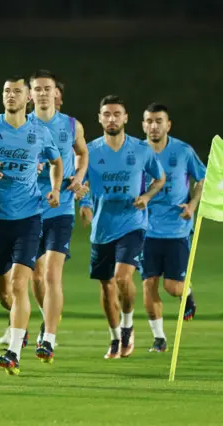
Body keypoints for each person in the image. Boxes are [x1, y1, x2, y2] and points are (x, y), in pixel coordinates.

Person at [0, 76, 63, 375]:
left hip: (28, 217)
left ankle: (13, 351)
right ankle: (19, 326)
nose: (10, 95)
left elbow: (56, 162)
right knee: (3, 293)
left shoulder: (40, 132)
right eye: (6, 91)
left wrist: (56, 188)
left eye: (17, 92)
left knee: (19, 283)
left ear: (28, 99)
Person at [79, 95, 165, 359]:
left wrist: (146, 197)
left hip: (133, 224)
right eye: (107, 114)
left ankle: (128, 328)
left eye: (117, 114)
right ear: (100, 118)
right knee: (106, 287)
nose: (112, 119)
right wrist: (84, 202)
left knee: (122, 277)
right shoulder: (89, 151)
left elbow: (159, 178)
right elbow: (79, 180)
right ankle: (115, 337)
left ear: (126, 118)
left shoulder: (141, 150)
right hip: (102, 227)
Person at [27, 70, 88, 363]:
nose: (42, 93)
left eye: (46, 88)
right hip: (26, 209)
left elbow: (82, 153)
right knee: (35, 277)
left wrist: (79, 176)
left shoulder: (71, 125)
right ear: (30, 94)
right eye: (37, 89)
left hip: (60, 207)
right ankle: (45, 318)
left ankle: (48, 339)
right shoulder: (20, 125)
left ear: (55, 94)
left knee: (52, 274)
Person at [140, 103, 205, 352]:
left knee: (172, 287)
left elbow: (200, 177)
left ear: (168, 124)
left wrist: (192, 204)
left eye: (159, 120)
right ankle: (159, 338)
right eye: (149, 121)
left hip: (177, 229)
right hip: (145, 229)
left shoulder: (183, 151)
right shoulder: (135, 152)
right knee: (148, 283)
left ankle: (186, 291)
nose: (153, 125)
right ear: (143, 125)